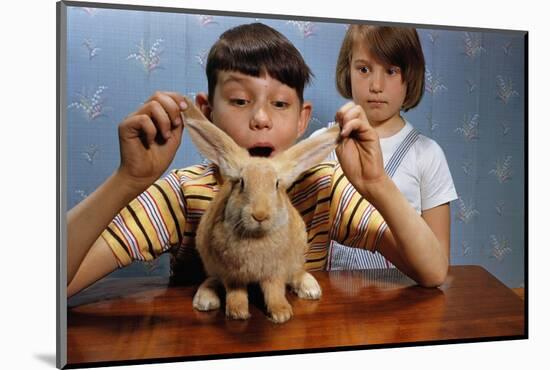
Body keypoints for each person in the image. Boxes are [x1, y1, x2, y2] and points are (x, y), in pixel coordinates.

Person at [67, 23, 449, 299]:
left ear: (303, 120)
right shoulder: (184, 193)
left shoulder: (323, 188)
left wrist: (376, 184)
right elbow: (48, 288)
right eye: (239, 100)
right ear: (207, 112)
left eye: (280, 104)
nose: (261, 118)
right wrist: (128, 180)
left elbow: (432, 271)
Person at [326, 25, 457, 271]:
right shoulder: (324, 143)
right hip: (331, 301)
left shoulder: (427, 155)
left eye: (391, 70)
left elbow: (440, 261)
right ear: (347, 70)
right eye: (364, 69)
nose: (376, 85)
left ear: (411, 75)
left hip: (402, 299)